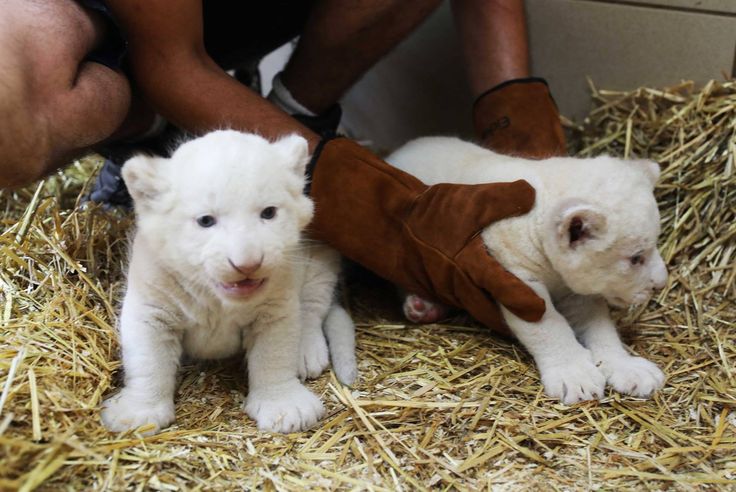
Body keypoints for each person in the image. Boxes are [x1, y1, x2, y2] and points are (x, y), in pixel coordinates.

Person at [0, 0, 566, 331]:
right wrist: (395, 220)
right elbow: (170, 59)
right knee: (11, 118)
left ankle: (292, 113)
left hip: (253, 13)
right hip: (113, 23)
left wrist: (517, 121)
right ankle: (154, 137)